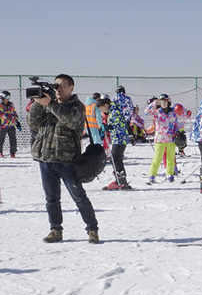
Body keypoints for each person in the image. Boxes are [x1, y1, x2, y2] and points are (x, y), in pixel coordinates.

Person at [27, 74, 99, 243]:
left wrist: (51, 104)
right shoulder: (48, 104)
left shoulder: (77, 106)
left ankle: (92, 230)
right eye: (56, 86)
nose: (58, 89)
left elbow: (71, 121)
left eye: (62, 86)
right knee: (51, 199)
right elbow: (33, 123)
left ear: (71, 88)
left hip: (67, 161)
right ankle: (55, 230)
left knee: (79, 197)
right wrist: (38, 104)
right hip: (46, 159)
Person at [97, 97, 131, 190]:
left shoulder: (114, 111)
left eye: (102, 108)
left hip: (119, 138)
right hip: (118, 138)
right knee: (117, 158)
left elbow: (119, 123)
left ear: (105, 105)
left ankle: (120, 180)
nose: (102, 111)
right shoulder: (114, 109)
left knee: (115, 158)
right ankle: (121, 180)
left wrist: (109, 127)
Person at [146, 94, 181, 183]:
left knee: (170, 158)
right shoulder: (157, 112)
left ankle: (169, 174)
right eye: (162, 102)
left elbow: (177, 124)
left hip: (171, 139)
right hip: (160, 139)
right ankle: (152, 175)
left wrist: (177, 132)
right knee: (157, 158)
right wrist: (154, 103)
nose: (164, 104)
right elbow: (146, 112)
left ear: (169, 103)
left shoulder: (173, 113)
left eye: (165, 102)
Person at [0, 91, 19, 158]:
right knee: (1, 139)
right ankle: (0, 152)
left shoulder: (11, 104)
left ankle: (13, 152)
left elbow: (14, 113)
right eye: (7, 97)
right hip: (3, 125)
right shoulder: (0, 105)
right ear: (2, 97)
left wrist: (17, 122)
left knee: (13, 139)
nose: (8, 99)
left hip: (11, 124)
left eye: (9, 97)